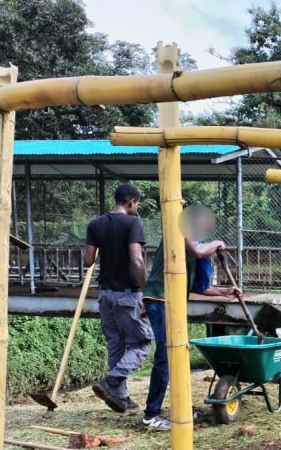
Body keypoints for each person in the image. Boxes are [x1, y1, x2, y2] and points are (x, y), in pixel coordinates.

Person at [141, 205, 240, 431]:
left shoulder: (193, 245)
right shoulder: (180, 230)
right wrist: (218, 244)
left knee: (177, 353)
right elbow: (198, 251)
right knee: (166, 354)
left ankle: (181, 408)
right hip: (159, 298)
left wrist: (225, 292)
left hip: (170, 301)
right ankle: (151, 414)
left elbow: (199, 287)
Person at [85, 183, 152, 413]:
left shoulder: (95, 224)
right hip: (128, 293)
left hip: (105, 294)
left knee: (115, 344)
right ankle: (112, 382)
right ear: (131, 201)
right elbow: (137, 259)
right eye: (137, 203)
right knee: (141, 343)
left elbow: (88, 260)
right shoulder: (132, 223)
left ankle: (120, 397)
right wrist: (146, 292)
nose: (137, 207)